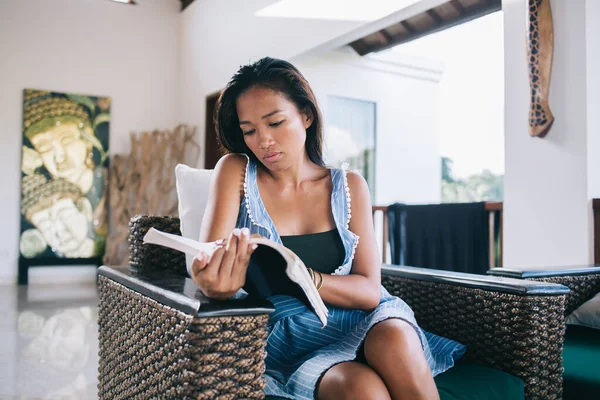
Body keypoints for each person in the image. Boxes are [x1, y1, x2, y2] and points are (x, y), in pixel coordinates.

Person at [191, 57, 466, 400]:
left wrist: (304, 277)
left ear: (306, 115)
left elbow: (368, 290)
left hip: (366, 316)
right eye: (249, 130)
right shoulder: (235, 171)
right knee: (361, 389)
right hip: (294, 335)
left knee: (395, 339)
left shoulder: (349, 185)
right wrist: (213, 284)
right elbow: (206, 260)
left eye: (275, 122)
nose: (263, 141)